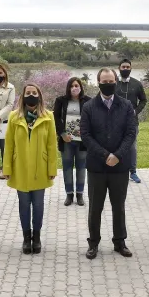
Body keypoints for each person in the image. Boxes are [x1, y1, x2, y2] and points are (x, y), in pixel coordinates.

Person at [81, 67, 138, 259]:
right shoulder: (89, 107)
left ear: (116, 81)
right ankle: (93, 243)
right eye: (104, 82)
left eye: (111, 81)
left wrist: (118, 155)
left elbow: (131, 133)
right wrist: (106, 155)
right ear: (98, 83)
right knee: (95, 207)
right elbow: (86, 135)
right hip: (97, 166)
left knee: (118, 206)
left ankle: (119, 242)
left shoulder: (126, 105)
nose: (108, 85)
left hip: (120, 166)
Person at [5, 84, 59, 254]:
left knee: (38, 205)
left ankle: (36, 237)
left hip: (40, 168)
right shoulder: (14, 116)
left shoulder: (48, 116)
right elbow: (9, 144)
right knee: (24, 205)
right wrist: (7, 167)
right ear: (23, 96)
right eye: (28, 93)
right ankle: (26, 238)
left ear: (39, 96)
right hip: (20, 167)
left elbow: (52, 144)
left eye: (34, 93)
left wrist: (52, 168)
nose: (31, 95)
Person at [53, 77, 91, 206]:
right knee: (67, 168)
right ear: (68, 87)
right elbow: (56, 119)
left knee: (81, 168)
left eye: (77, 85)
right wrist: (62, 134)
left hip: (82, 142)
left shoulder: (88, 101)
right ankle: (69, 194)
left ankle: (79, 194)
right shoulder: (60, 101)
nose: (75, 88)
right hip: (67, 141)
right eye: (72, 86)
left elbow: (92, 119)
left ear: (81, 87)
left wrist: (86, 133)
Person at [116, 59, 147, 184]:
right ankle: (118, 169)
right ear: (119, 68)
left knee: (132, 147)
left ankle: (132, 172)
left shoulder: (137, 84)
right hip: (116, 122)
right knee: (116, 145)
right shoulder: (113, 83)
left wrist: (136, 111)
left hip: (132, 122)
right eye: (123, 67)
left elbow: (143, 100)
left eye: (128, 67)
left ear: (131, 68)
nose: (125, 69)